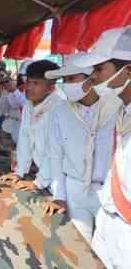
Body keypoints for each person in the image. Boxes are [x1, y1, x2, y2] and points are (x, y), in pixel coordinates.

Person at [43, 52, 122, 243]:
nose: (67, 85)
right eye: (64, 80)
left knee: (110, 254)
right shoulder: (59, 113)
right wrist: (59, 195)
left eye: (71, 78)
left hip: (109, 193)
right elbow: (55, 155)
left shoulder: (116, 108)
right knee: (79, 247)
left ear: (92, 78)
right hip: (75, 189)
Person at [70, 27, 131, 269]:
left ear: (128, 71)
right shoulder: (121, 109)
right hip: (109, 218)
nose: (91, 77)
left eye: (98, 69)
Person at [0, 60, 64, 191]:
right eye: (28, 82)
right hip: (43, 173)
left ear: (50, 88)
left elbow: (54, 151)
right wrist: (19, 171)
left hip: (60, 179)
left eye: (36, 83)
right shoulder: (30, 103)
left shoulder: (59, 108)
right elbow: (25, 138)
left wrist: (38, 183)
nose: (28, 87)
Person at [0, 75, 27, 144]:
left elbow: (24, 104)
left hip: (21, 124)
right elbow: (13, 105)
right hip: (13, 124)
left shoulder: (25, 90)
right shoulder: (10, 91)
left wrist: (14, 91)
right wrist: (11, 92)